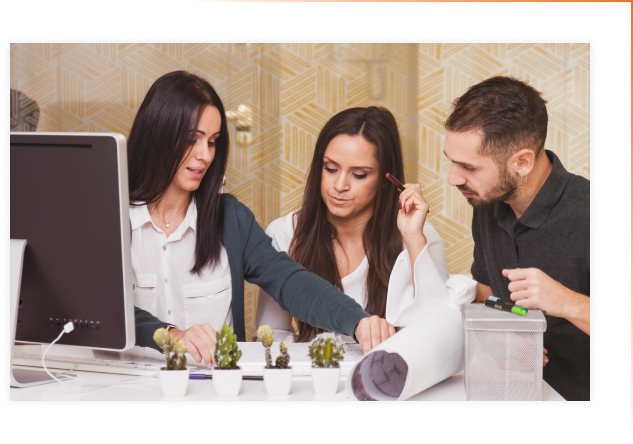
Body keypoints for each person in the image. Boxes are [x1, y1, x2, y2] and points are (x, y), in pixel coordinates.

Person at [128, 70, 396, 368]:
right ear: (158, 134)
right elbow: (105, 306)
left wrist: (357, 321)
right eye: (193, 139)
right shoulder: (112, 219)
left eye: (213, 142)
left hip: (215, 386)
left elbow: (290, 281)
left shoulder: (230, 219)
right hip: (120, 383)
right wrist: (172, 334)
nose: (205, 155)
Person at [255, 106, 475, 344]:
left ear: (386, 180)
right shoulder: (285, 233)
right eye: (330, 169)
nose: (339, 185)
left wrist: (414, 239)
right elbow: (271, 334)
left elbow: (439, 333)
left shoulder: (421, 236)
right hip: (313, 367)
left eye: (359, 174)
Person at [442, 76, 590, 401]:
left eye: (468, 167)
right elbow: (487, 295)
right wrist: (502, 336)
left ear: (522, 162)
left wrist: (564, 301)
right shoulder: (486, 203)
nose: (453, 178)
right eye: (452, 161)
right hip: (517, 390)